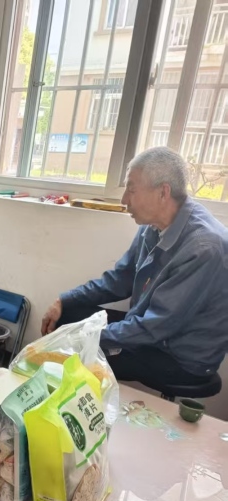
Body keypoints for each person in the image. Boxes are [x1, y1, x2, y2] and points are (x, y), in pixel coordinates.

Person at [41, 147, 228, 394]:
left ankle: (81, 411)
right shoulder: (153, 225)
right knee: (68, 316)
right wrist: (64, 300)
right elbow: (120, 280)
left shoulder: (203, 248)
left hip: (179, 355)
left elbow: (155, 327)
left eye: (131, 189)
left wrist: (85, 337)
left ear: (163, 192)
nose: (123, 200)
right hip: (150, 330)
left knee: (76, 351)